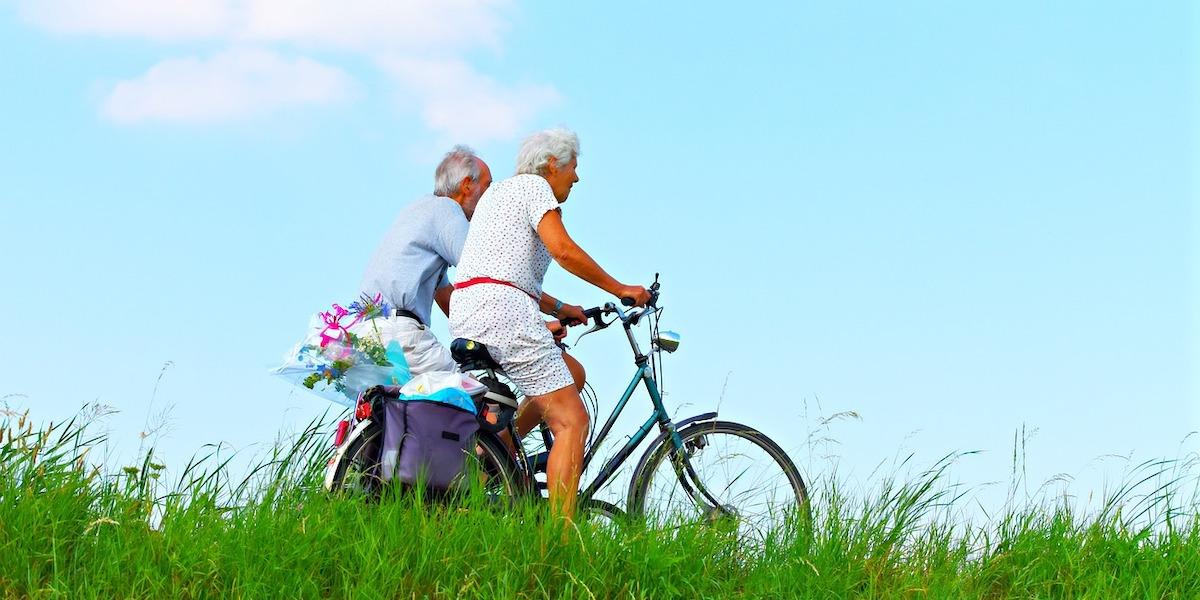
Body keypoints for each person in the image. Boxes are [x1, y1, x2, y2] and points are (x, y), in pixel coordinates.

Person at [449, 127, 651, 520]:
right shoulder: (534, 187)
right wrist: (620, 288)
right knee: (572, 420)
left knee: (571, 373)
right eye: (574, 167)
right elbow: (563, 249)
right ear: (553, 164)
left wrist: (559, 308)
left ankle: (499, 452)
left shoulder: (499, 194)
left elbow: (500, 269)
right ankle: (558, 543)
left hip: (472, 309)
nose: (576, 177)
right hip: (503, 311)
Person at [354, 145, 492, 375]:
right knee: (473, 396)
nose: (490, 197)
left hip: (367, 334)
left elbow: (448, 298)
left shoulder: (418, 210)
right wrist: (531, 325)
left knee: (402, 407)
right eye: (488, 187)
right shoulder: (447, 210)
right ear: (467, 184)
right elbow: (485, 272)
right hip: (400, 334)